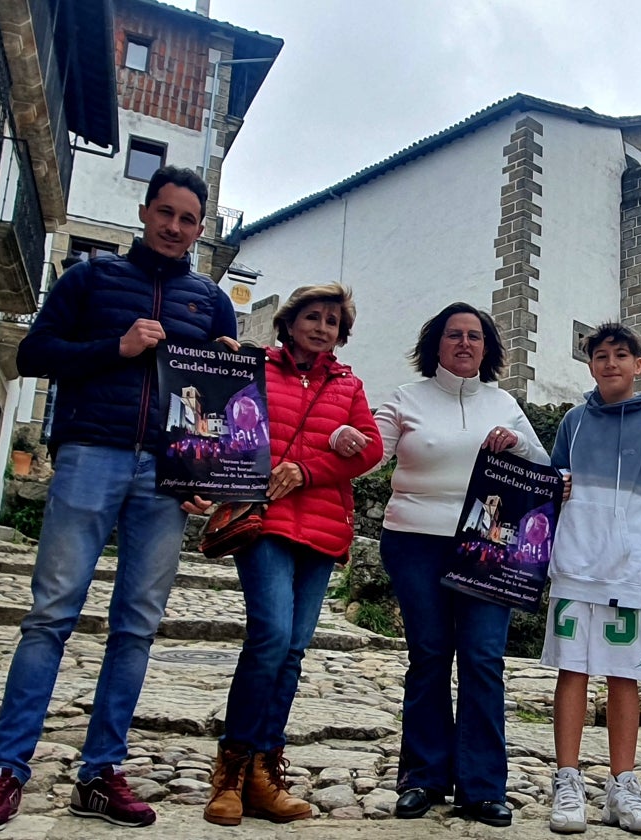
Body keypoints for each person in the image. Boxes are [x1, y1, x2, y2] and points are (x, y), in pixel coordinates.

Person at [0, 166, 237, 832]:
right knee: (51, 614)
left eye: (188, 219)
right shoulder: (89, 278)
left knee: (137, 626)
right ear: (145, 213)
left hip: (166, 477)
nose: (175, 227)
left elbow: (220, 407)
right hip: (91, 454)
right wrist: (116, 347)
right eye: (165, 213)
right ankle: (5, 772)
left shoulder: (210, 301)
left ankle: (100, 772)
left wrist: (227, 378)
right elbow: (34, 353)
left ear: (201, 229)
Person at [195, 284, 383, 826]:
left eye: (332, 320)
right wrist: (218, 366)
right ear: (290, 321)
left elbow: (370, 448)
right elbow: (221, 417)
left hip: (322, 529)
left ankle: (263, 773)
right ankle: (229, 772)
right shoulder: (256, 367)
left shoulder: (349, 385)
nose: (322, 327)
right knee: (271, 635)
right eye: (312, 316)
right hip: (266, 521)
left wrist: (309, 469)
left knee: (295, 648)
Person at [374, 302, 549, 828]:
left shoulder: (504, 403)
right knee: (429, 656)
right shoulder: (406, 398)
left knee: (482, 659)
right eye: (455, 335)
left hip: (488, 550)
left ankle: (482, 786)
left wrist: (516, 442)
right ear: (438, 344)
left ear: (487, 347)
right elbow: (369, 454)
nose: (465, 343)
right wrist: (343, 439)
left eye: (475, 336)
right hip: (415, 541)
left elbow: (545, 468)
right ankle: (422, 777)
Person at [543, 323, 641, 836]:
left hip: (629, 571)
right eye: (601, 356)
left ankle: (623, 785)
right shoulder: (573, 421)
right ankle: (567, 781)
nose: (610, 363)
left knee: (624, 677)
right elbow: (552, 481)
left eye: (620, 355)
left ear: (638, 366)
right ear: (590, 365)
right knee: (572, 672)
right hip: (574, 568)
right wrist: (554, 490)